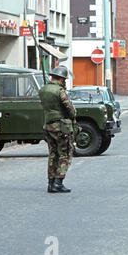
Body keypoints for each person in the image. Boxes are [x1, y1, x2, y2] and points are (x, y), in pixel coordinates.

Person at [38, 65, 76, 193]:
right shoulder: (59, 91)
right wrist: (73, 115)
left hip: (48, 126)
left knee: (53, 154)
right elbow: (69, 108)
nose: (64, 82)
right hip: (61, 127)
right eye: (64, 80)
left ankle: (51, 183)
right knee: (64, 154)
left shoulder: (43, 90)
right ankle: (58, 182)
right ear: (60, 79)